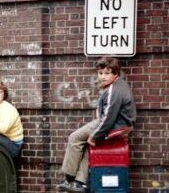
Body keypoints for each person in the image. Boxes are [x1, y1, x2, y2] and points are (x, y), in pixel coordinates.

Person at [56, 57, 136, 193]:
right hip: (118, 124)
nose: (103, 77)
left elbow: (108, 118)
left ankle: (69, 179)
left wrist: (94, 136)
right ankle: (79, 183)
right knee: (87, 144)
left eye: (107, 73)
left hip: (114, 126)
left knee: (74, 138)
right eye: (100, 73)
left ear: (115, 73)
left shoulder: (114, 90)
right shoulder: (119, 84)